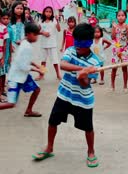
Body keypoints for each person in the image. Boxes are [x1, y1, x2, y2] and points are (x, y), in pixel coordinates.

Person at [32, 23, 102, 168]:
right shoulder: (71, 50)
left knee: (88, 128)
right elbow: (63, 65)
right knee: (52, 121)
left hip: (83, 99)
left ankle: (91, 151)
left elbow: (84, 84)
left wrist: (83, 76)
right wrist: (82, 68)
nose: (76, 46)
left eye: (80, 44)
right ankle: (49, 148)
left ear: (88, 43)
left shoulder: (96, 62)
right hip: (64, 94)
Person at [0, 23, 44, 122]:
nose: (37, 37)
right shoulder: (26, 46)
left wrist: (36, 65)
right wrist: (38, 70)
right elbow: (23, 66)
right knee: (11, 104)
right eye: (35, 34)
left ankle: (29, 110)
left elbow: (25, 61)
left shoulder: (25, 43)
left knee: (37, 89)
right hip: (16, 78)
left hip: (22, 76)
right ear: (29, 34)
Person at [111, 10, 128, 92]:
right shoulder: (115, 26)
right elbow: (113, 37)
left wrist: (127, 31)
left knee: (124, 68)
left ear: (126, 17)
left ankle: (125, 86)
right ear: (117, 17)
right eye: (119, 15)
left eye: (122, 15)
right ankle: (112, 85)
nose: (120, 17)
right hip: (115, 49)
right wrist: (114, 28)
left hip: (124, 49)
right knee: (114, 68)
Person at [38, 6, 61, 80]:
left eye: (50, 12)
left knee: (55, 61)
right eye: (46, 11)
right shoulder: (41, 20)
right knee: (43, 60)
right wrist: (43, 33)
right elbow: (37, 31)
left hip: (52, 44)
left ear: (52, 13)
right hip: (43, 44)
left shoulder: (54, 20)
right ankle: (42, 75)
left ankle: (58, 74)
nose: (48, 13)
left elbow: (59, 29)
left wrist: (57, 21)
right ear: (44, 12)